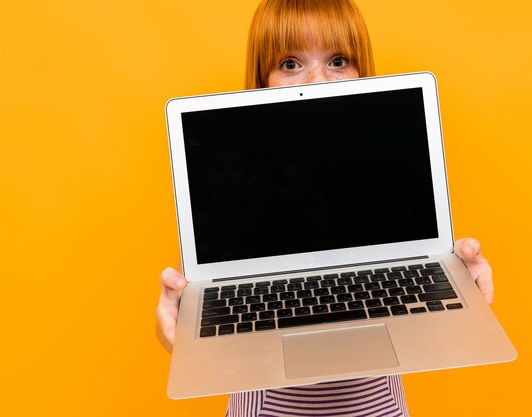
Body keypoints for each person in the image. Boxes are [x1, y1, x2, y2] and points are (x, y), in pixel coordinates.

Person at [156, 1, 495, 415]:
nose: (317, 80)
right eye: (290, 63)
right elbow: (197, 299)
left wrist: (459, 277)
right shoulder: (241, 173)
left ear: (360, 70)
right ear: (263, 79)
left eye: (337, 60)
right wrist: (173, 323)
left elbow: (424, 254)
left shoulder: (383, 165)